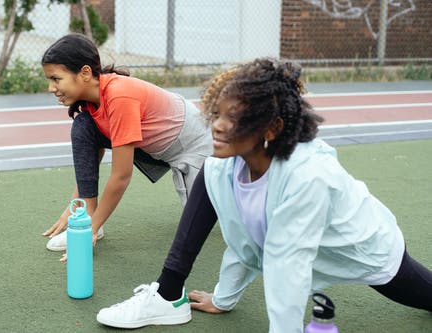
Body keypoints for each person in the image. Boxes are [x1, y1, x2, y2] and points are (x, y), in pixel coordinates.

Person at [96, 58, 432, 332]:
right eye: (217, 113)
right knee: (210, 175)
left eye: (235, 118)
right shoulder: (224, 168)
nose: (218, 125)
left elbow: (289, 270)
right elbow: (247, 243)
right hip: (300, 245)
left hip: (362, 248)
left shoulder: (308, 178)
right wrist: (223, 299)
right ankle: (167, 294)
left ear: (271, 129)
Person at [40, 33, 212, 261]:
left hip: (193, 143)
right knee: (83, 127)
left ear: (84, 73)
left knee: (213, 216)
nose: (51, 88)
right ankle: (90, 217)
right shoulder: (93, 100)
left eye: (56, 79)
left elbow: (121, 176)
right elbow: (93, 152)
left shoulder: (119, 96)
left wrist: (88, 231)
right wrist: (78, 208)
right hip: (154, 145)